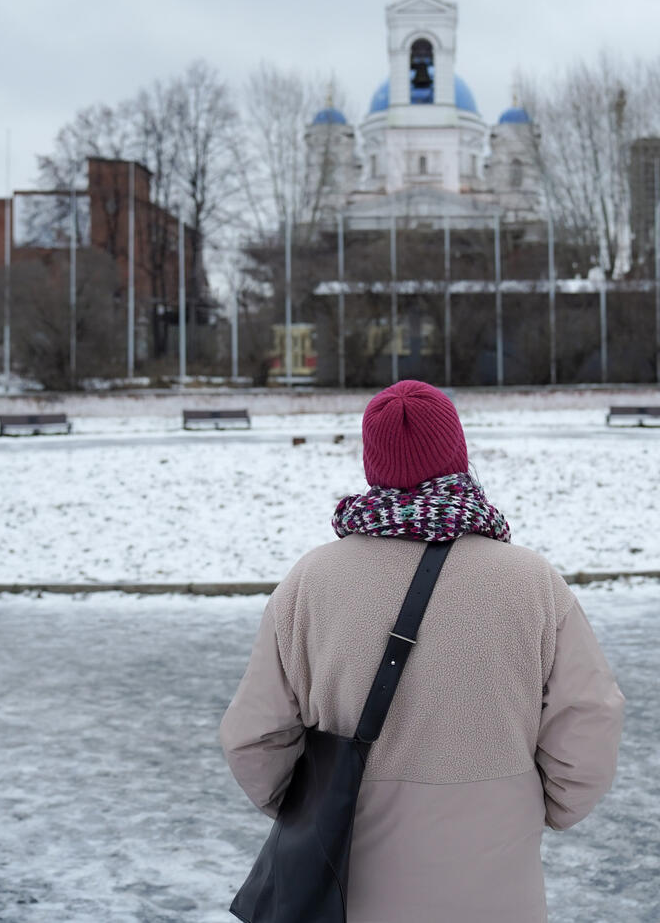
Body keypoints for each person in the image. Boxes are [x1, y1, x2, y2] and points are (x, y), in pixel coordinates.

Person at [220, 380, 624, 923]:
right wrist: (540, 807)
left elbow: (252, 737)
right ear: (457, 457)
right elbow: (590, 716)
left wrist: (314, 808)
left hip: (352, 889)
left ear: (373, 464)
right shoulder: (531, 582)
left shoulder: (310, 583)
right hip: (498, 888)